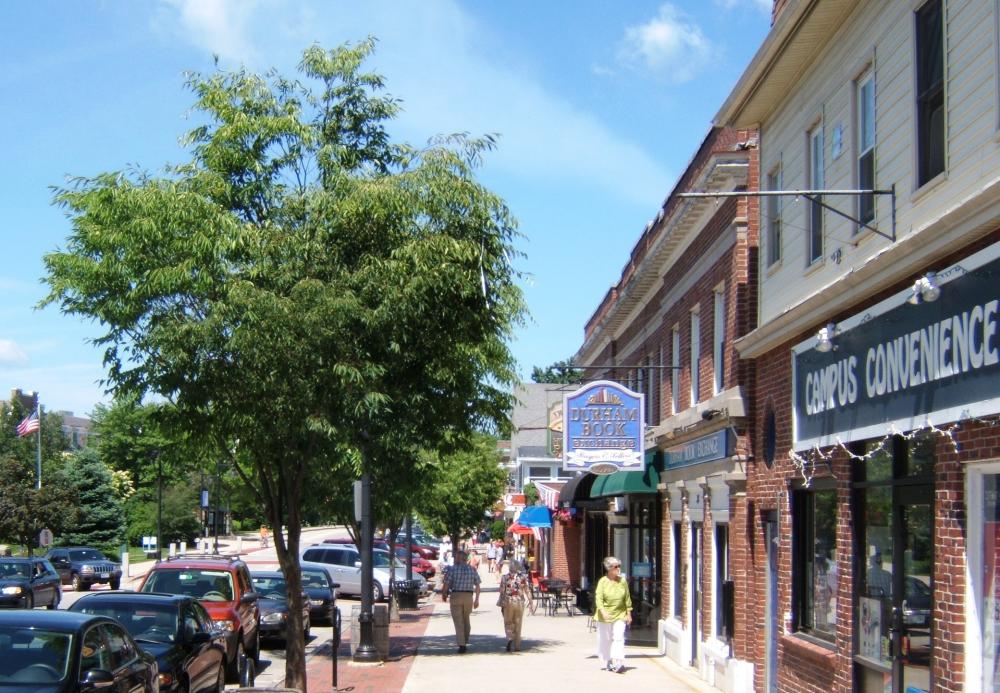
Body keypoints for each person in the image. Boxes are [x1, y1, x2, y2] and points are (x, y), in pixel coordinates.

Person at [595, 556, 632, 674]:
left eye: (619, 566)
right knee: (606, 639)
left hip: (620, 614)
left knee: (618, 637)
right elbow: (598, 598)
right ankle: (609, 660)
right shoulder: (603, 582)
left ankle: (618, 661)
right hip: (605, 615)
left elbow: (627, 598)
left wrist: (629, 614)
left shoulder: (623, 581)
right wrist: (603, 611)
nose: (618, 569)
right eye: (616, 567)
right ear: (609, 568)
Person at [441, 549, 481, 653]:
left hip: (456, 595)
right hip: (468, 596)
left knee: (458, 621)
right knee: (466, 618)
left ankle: (462, 643)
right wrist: (476, 599)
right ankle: (465, 639)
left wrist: (444, 593)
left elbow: (447, 583)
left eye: (456, 557)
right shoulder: (472, 569)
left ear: (460, 558)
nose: (455, 559)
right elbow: (477, 585)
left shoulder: (452, 569)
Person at [498, 559, 534, 652]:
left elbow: (502, 592)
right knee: (518, 623)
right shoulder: (523, 577)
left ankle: (510, 638)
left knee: (508, 621)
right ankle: (517, 646)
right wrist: (531, 603)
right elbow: (527, 591)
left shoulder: (505, 578)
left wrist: (501, 605)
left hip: (508, 600)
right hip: (519, 601)